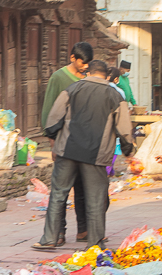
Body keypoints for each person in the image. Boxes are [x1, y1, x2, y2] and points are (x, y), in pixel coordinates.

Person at [33, 60, 135, 250]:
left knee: (58, 194)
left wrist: (54, 137)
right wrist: (129, 150)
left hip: (67, 149)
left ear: (89, 72)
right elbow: (124, 128)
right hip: (96, 153)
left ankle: (49, 238)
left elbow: (53, 119)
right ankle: (94, 242)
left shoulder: (72, 89)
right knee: (96, 198)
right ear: (105, 75)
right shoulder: (114, 95)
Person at [40, 42, 92, 245]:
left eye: (87, 63)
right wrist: (51, 140)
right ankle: (59, 232)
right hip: (63, 141)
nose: (85, 67)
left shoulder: (88, 79)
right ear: (72, 58)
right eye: (82, 62)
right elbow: (49, 108)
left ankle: (83, 230)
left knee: (82, 188)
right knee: (61, 190)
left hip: (84, 142)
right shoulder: (59, 77)